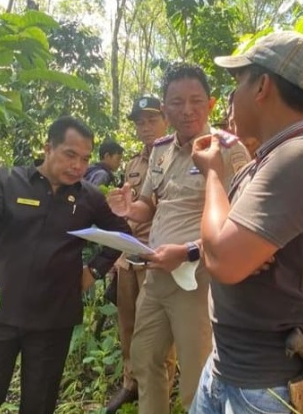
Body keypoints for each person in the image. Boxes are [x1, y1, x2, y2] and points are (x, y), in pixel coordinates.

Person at [188, 31, 303, 413]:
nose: (231, 100)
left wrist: (212, 173)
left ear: (262, 86)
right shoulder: (270, 159)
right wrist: (229, 245)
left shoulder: (301, 157)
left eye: (237, 85)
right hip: (228, 369)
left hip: (269, 385)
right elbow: (226, 245)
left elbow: (225, 259)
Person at [0, 116, 131, 414]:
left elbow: (122, 234)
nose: (78, 165)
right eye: (70, 155)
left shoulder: (88, 197)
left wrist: (94, 271)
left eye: (85, 158)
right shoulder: (9, 180)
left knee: (39, 405)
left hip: (53, 321)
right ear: (48, 148)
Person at [107, 63, 251, 413]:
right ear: (166, 110)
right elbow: (149, 204)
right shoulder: (160, 150)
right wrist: (129, 208)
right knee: (145, 360)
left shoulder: (229, 151)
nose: (187, 110)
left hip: (197, 280)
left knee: (197, 374)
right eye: (176, 102)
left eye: (196, 101)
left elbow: (242, 226)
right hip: (156, 274)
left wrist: (188, 252)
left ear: (211, 104)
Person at [105, 95, 177, 413]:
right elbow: (126, 212)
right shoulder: (134, 165)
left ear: (166, 119)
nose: (145, 127)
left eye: (151, 119)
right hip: (128, 258)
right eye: (139, 122)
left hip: (159, 258)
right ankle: (130, 384)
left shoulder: (179, 158)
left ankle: (161, 389)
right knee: (128, 327)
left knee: (159, 335)